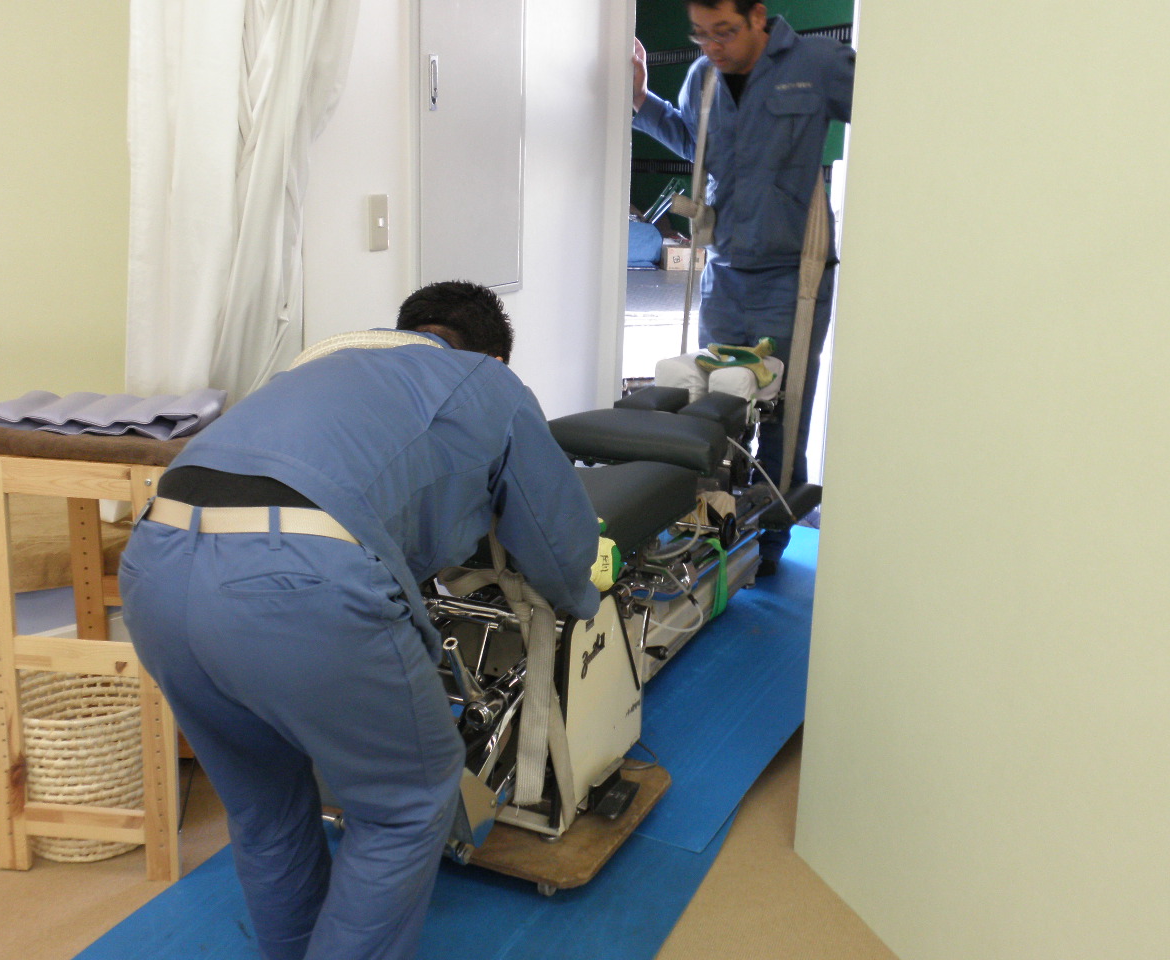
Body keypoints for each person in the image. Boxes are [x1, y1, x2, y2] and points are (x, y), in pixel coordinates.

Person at [118, 281, 601, 960]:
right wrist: (581, 599)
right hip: (296, 583)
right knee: (406, 804)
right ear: (492, 357)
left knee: (265, 808)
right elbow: (557, 539)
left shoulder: (322, 365)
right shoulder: (485, 380)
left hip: (155, 567)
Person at [631, 0, 854, 574]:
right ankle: (715, 527)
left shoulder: (818, 64)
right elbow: (695, 145)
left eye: (725, 32)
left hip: (795, 274)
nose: (713, 46)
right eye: (701, 34)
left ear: (758, 17)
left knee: (783, 409)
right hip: (725, 271)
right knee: (718, 401)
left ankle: (772, 540)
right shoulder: (703, 77)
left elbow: (895, 114)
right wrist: (641, 101)